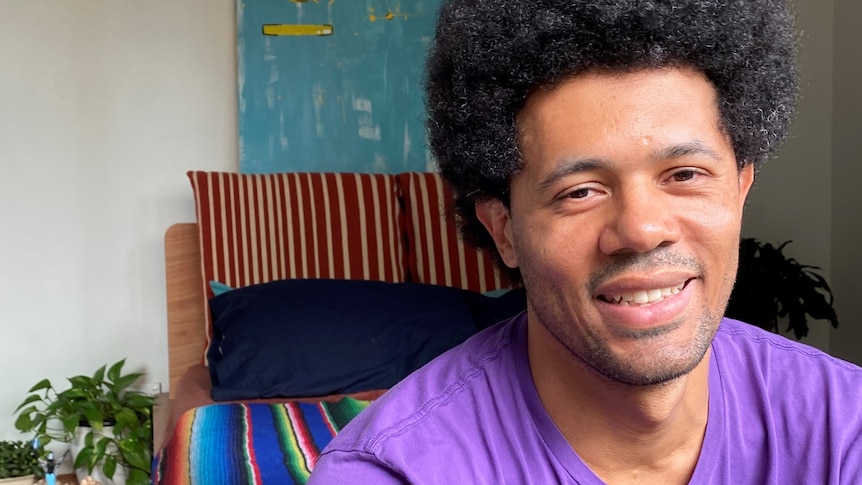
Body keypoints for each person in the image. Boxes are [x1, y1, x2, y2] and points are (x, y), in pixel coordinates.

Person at [310, 1, 862, 483]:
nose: (642, 229)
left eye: (685, 174)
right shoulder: (393, 472)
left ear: (740, 191)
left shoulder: (844, 428)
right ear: (503, 229)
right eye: (580, 191)